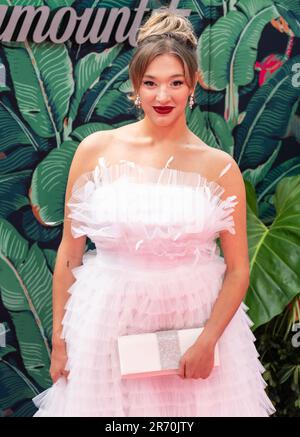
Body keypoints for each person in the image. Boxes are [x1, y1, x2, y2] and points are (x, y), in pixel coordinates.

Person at [32, 9, 276, 417]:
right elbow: (69, 255)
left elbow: (237, 270)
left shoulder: (219, 167)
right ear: (135, 86)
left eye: (175, 83)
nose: (163, 97)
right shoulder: (96, 151)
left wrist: (208, 341)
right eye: (151, 83)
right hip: (107, 323)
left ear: (194, 84)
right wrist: (60, 340)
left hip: (195, 326)